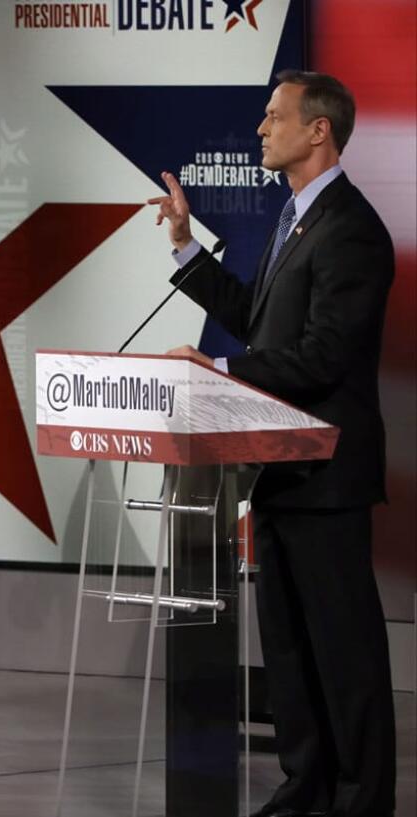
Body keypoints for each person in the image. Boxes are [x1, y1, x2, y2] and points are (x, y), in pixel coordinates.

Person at [149, 71, 395, 817]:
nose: (259, 129)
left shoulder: (351, 227)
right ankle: (306, 786)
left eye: (273, 116)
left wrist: (218, 369)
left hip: (329, 473)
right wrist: (188, 248)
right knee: (288, 647)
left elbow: (323, 356)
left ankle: (360, 798)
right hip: (281, 470)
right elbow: (261, 321)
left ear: (318, 129)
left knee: (343, 650)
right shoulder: (292, 217)